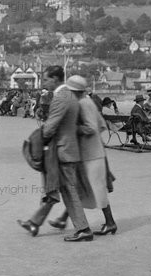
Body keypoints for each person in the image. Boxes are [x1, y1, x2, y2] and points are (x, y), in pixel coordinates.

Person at [18, 67, 93, 242]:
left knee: (68, 191)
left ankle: (83, 229)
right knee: (58, 189)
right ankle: (34, 222)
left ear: (56, 79)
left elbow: (51, 126)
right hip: (68, 149)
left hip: (62, 150)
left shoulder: (61, 98)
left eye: (46, 79)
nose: (44, 83)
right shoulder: (70, 96)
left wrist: (37, 141)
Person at [48, 75, 117, 236]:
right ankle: (63, 219)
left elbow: (91, 128)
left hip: (90, 155)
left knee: (94, 190)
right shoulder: (89, 102)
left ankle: (110, 222)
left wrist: (72, 129)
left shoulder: (82, 104)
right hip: (94, 151)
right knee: (81, 188)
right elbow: (101, 125)